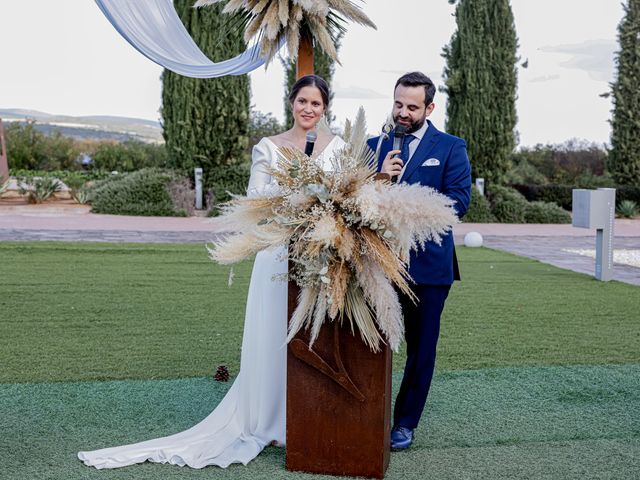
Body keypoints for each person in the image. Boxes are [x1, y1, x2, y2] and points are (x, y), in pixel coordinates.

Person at [77, 75, 345, 469]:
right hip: (275, 251)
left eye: (316, 103)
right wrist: (297, 194)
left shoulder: (337, 148)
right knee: (274, 333)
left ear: (325, 108)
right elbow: (256, 200)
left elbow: (341, 196)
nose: (309, 109)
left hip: (318, 255)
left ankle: (308, 414)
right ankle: (268, 419)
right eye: (302, 101)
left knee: (313, 335)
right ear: (292, 103)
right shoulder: (269, 148)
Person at [366, 71, 471, 451]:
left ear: (430, 107)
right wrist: (380, 178)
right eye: (398, 104)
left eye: (412, 107)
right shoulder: (373, 144)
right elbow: (355, 198)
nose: (403, 113)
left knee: (421, 347)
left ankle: (405, 422)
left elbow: (459, 201)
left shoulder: (450, 147)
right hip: (375, 263)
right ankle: (364, 412)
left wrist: (405, 206)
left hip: (428, 268)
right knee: (368, 340)